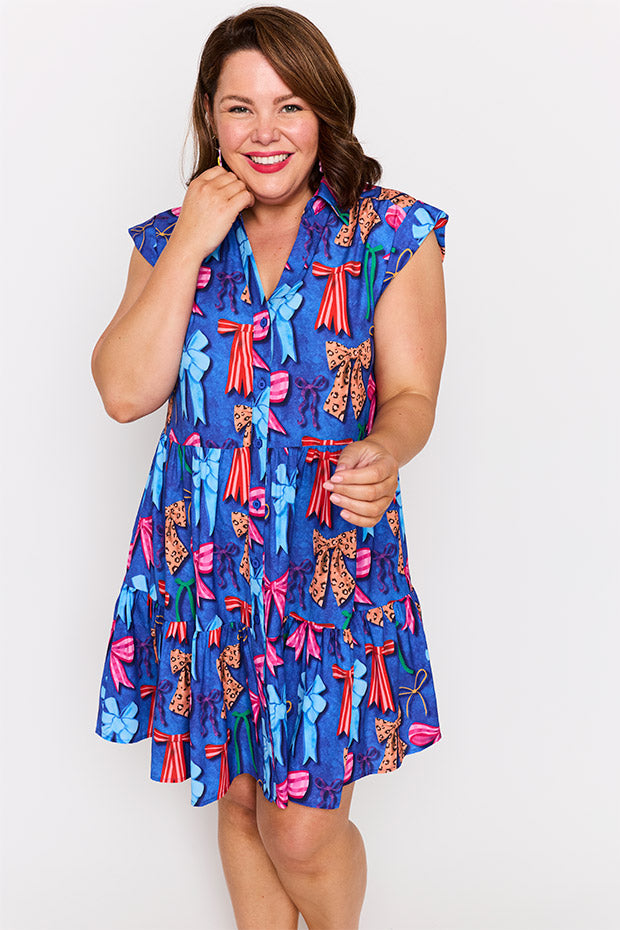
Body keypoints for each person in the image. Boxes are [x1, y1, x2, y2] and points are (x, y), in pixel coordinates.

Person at [92, 6, 448, 929]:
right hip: (207, 562)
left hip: (328, 559)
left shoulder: (390, 233)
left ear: (323, 111)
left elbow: (413, 394)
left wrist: (387, 448)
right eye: (239, 107)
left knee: (300, 827)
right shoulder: (169, 239)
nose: (265, 131)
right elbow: (125, 392)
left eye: (288, 106)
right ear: (210, 118)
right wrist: (192, 240)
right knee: (244, 799)